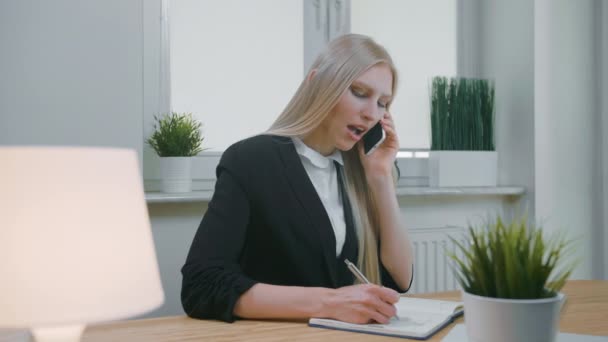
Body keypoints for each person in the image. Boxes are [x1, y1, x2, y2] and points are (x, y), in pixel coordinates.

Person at [181, 33, 414, 325]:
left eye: (383, 103)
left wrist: (381, 177)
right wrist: (330, 302)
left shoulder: (365, 169)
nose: (371, 114)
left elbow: (399, 279)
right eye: (359, 92)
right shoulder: (251, 160)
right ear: (317, 83)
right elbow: (201, 285)